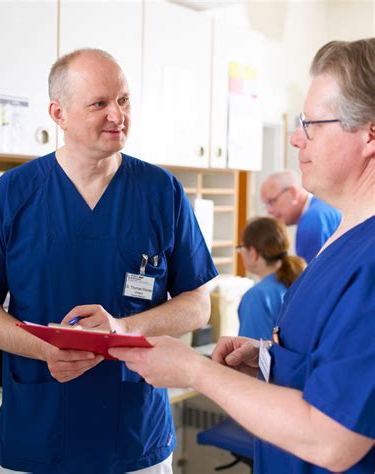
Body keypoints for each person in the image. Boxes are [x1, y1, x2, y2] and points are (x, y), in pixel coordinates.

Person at [0, 48, 218, 474]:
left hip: (134, 431)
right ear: (59, 113)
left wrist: (124, 328)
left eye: (124, 100)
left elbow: (198, 304)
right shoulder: (13, 194)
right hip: (40, 428)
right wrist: (46, 348)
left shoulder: (162, 192)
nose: (117, 115)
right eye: (99, 103)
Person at [111, 38, 375, 473]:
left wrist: (197, 372)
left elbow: (332, 439)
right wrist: (270, 361)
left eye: (311, 124)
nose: (294, 137)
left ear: (368, 132)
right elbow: (336, 366)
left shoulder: (371, 264)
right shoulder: (344, 236)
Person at [236, 217, 305, 340]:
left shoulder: (256, 297)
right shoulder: (298, 282)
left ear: (253, 252)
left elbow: (251, 353)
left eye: (241, 247)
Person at [260, 169, 341, 263]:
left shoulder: (311, 220)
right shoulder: (323, 206)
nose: (269, 211)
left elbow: (311, 276)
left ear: (292, 193)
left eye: (272, 202)